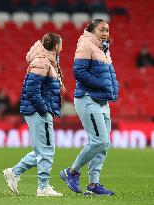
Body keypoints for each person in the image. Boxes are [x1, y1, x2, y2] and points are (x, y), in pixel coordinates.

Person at [60, 19, 119, 196]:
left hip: (102, 100)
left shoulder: (104, 48)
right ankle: (72, 172)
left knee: (104, 144)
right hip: (88, 98)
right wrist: (103, 86)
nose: (106, 33)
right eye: (102, 30)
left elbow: (110, 73)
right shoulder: (85, 44)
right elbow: (79, 72)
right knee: (99, 141)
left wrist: (113, 90)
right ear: (92, 30)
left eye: (108, 30)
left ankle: (93, 184)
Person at [3, 33, 63, 197]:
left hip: (38, 110)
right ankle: (43, 187)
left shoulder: (45, 61)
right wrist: (44, 109)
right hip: (39, 111)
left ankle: (14, 172)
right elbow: (31, 89)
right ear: (56, 46)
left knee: (41, 150)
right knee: (46, 150)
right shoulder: (42, 62)